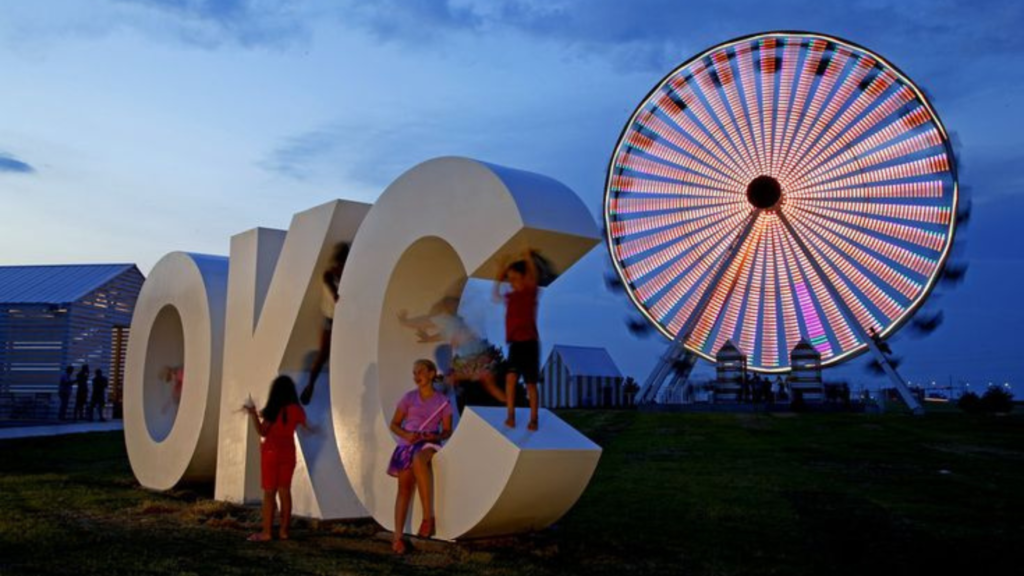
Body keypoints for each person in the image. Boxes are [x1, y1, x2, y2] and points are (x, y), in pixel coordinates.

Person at [387, 359, 453, 554]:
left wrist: (436, 435)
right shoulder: (408, 397)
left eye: (421, 371)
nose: (417, 376)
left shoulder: (442, 401)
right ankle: (397, 538)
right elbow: (394, 424)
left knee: (418, 458)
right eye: (414, 373)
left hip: (428, 443)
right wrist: (407, 434)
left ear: (432, 374)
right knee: (404, 490)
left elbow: (448, 430)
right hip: (407, 443)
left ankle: (427, 519)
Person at [398, 296, 506, 405]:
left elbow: (423, 321)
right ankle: (510, 403)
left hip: (473, 360)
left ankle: (439, 399)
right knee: (491, 386)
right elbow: (443, 335)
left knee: (451, 378)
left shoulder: (447, 320)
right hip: (485, 358)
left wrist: (406, 322)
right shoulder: (459, 322)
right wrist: (428, 338)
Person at [243, 375, 311, 542]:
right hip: (288, 453)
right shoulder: (297, 409)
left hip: (271, 453)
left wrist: (253, 414)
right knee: (285, 492)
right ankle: (284, 531)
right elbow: (306, 426)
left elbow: (262, 431)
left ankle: (267, 532)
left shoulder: (273, 409)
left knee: (269, 493)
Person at [495, 251, 541, 430]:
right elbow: (496, 294)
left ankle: (534, 418)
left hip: (529, 343)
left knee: (530, 383)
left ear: (524, 278)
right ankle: (511, 415)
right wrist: (500, 271)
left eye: (515, 278)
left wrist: (528, 258)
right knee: (510, 378)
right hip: (515, 343)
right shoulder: (510, 296)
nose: (512, 282)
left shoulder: (530, 292)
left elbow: (534, 276)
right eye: (510, 279)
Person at [301, 242, 350, 405]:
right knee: (323, 355)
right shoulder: (329, 275)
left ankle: (328, 388)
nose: (342, 266)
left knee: (336, 356)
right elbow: (334, 293)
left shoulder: (345, 275)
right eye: (342, 262)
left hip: (342, 321)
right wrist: (338, 294)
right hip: (331, 319)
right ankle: (310, 385)